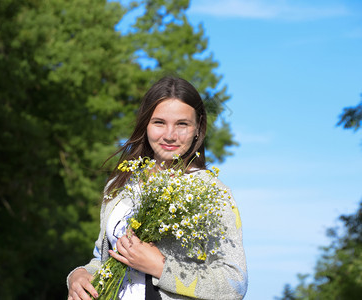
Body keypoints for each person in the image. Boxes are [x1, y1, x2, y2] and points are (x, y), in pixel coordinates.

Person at [67, 76, 248, 300]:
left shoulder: (212, 193)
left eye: (182, 124)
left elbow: (234, 284)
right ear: (145, 124)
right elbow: (103, 258)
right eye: (159, 122)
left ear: (197, 129)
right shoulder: (119, 185)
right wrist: (79, 275)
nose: (170, 135)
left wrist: (161, 267)